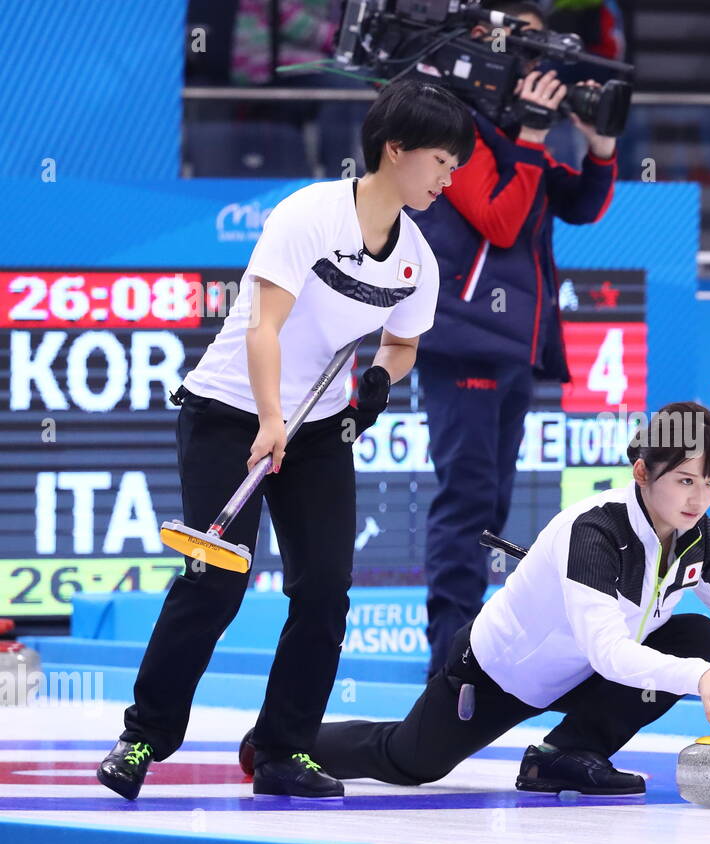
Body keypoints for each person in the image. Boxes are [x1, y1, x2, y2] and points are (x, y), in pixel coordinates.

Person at [96, 80, 475, 801]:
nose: (448, 177)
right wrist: (271, 421)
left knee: (326, 590)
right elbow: (261, 327)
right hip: (231, 408)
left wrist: (376, 388)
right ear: (394, 150)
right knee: (218, 580)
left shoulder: (416, 260)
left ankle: (282, 750)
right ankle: (142, 737)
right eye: (440, 159)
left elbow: (401, 346)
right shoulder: (309, 214)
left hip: (318, 426)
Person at [277, 403, 710, 795]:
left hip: (583, 673)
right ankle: (280, 742)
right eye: (684, 480)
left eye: (709, 483)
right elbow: (609, 653)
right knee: (412, 762)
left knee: (697, 633)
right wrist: (701, 679)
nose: (698, 498)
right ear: (643, 472)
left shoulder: (699, 542)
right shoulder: (594, 532)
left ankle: (564, 756)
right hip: (501, 675)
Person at [407, 0, 618, 675]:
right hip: (463, 342)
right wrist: (530, 135)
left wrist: (599, 144)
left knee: (491, 505)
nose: (534, 61)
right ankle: (450, 653)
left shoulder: (511, 135)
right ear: (478, 41)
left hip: (514, 349)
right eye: (520, 43)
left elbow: (579, 204)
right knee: (466, 498)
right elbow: (499, 220)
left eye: (540, 46)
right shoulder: (452, 126)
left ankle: (476, 646)